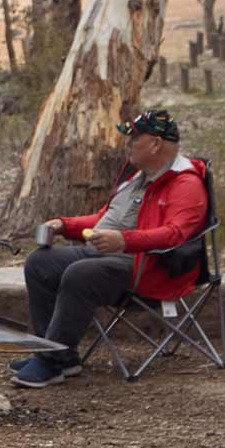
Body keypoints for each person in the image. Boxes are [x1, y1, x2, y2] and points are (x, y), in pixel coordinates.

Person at [14, 108, 208, 388]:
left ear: (155, 143)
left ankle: (50, 359)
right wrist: (64, 225)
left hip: (151, 267)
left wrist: (125, 241)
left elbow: (176, 235)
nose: (127, 145)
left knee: (81, 273)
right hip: (112, 255)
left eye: (134, 139)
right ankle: (60, 356)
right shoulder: (137, 176)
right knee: (40, 262)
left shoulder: (186, 183)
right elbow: (106, 219)